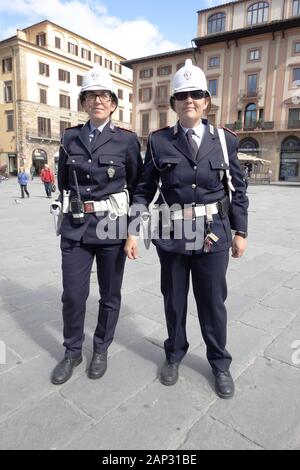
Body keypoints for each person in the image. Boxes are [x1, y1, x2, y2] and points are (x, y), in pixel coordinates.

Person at [125, 59, 249, 399]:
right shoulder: (159, 141)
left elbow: (237, 190)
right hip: (173, 235)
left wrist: (241, 232)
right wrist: (133, 230)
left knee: (213, 302)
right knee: (174, 301)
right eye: (182, 95)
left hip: (214, 234)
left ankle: (220, 363)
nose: (189, 100)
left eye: (196, 94)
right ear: (174, 104)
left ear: (206, 101)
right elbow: (143, 190)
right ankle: (174, 354)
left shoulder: (225, 141)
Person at [51, 63, 142, 385]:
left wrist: (133, 230)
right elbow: (63, 181)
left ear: (114, 103)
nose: (97, 101)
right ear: (83, 103)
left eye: (103, 95)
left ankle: (101, 347)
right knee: (73, 295)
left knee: (109, 294)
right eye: (90, 96)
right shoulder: (70, 138)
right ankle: (72, 351)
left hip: (111, 228)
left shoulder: (127, 141)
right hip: (75, 227)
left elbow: (138, 187)